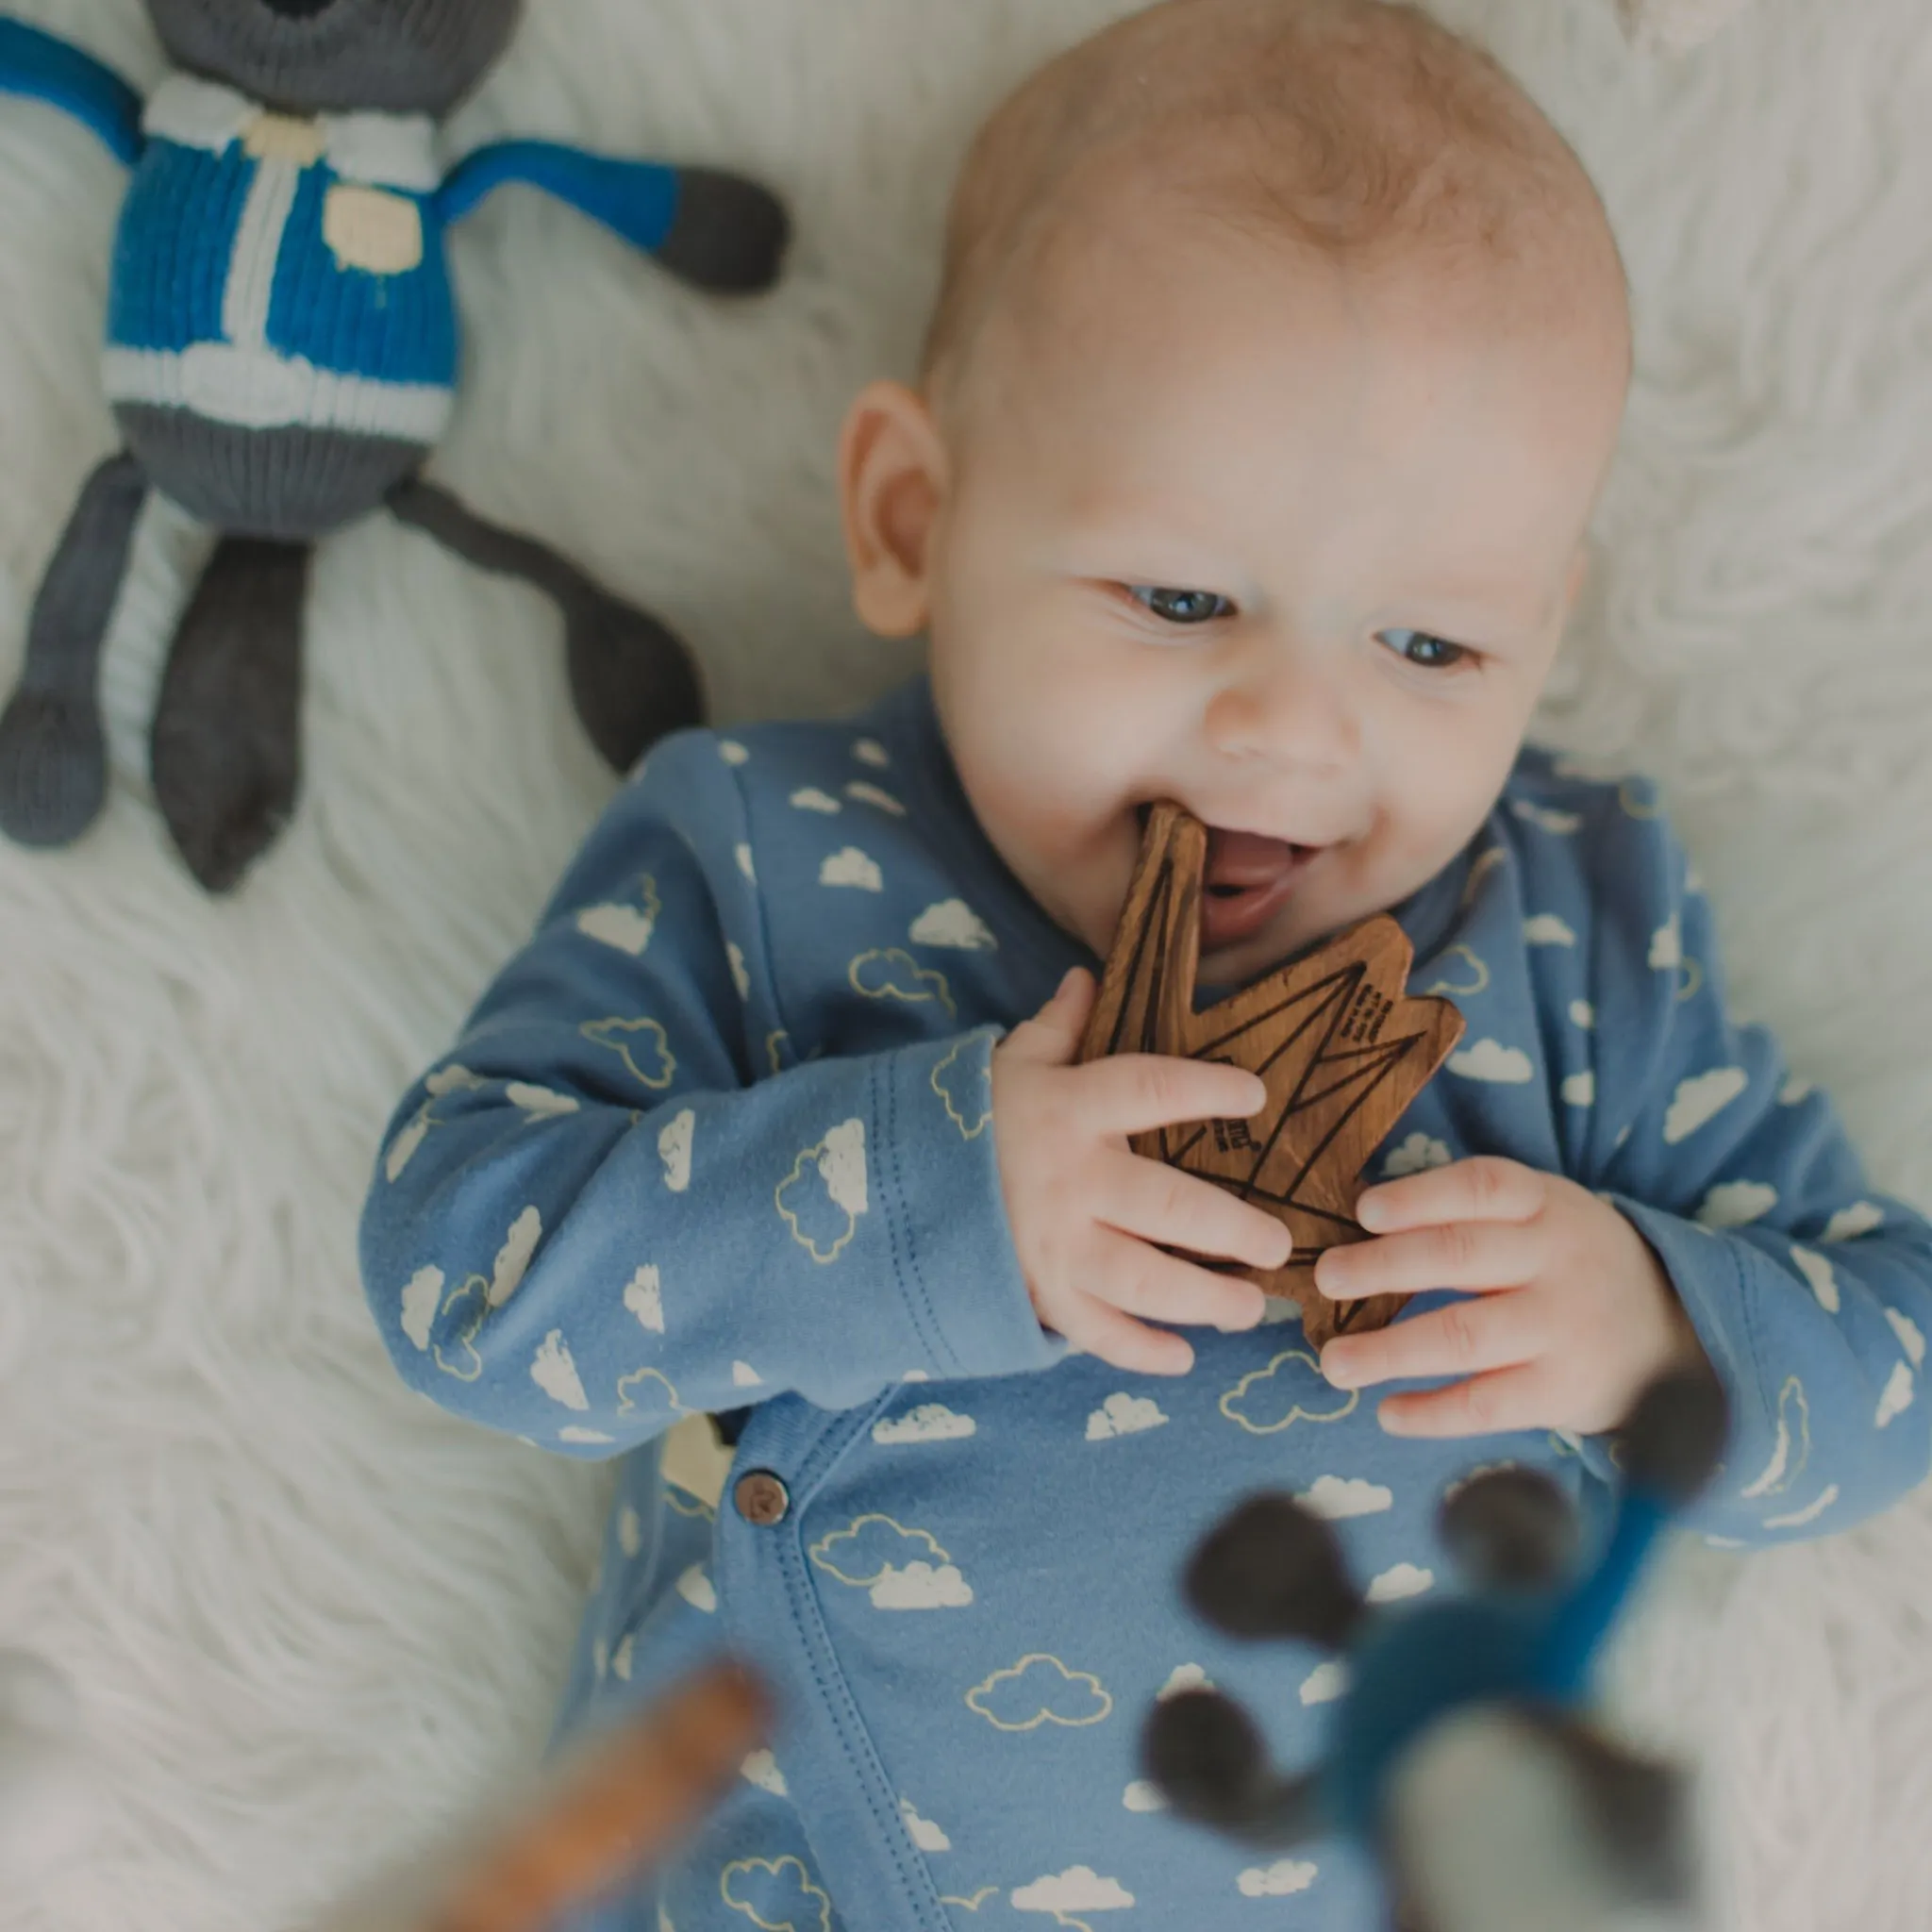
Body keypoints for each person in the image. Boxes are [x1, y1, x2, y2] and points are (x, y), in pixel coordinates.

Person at [358, 2, 1932, 1925]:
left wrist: (1650, 1326)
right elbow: (462, 1263)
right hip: (796, 1868)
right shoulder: (771, 857)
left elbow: (1896, 1350)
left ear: (1545, 625)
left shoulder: (1573, 926)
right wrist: (932, 1202)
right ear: (909, 519)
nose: (1287, 733)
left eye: (1431, 646)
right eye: (1181, 599)